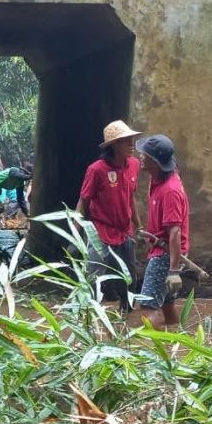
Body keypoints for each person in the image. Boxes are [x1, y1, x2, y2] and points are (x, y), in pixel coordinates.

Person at [76, 120, 142, 313]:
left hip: (125, 231)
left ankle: (126, 318)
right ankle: (88, 314)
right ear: (114, 145)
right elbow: (83, 201)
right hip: (100, 231)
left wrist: (139, 226)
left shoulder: (134, 166)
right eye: (125, 141)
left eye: (132, 140)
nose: (131, 145)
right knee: (94, 275)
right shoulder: (96, 170)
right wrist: (75, 232)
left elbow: (131, 197)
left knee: (129, 277)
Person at [135, 135, 189, 327]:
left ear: (155, 161)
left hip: (166, 255)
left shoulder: (170, 191)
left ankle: (152, 353)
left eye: (145, 155)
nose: (140, 156)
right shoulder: (157, 178)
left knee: (149, 308)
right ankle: (178, 343)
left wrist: (173, 271)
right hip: (164, 250)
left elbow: (174, 232)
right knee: (166, 305)